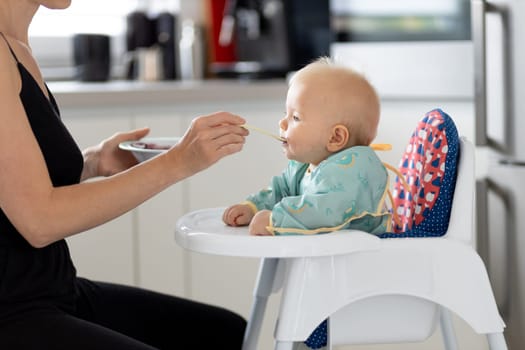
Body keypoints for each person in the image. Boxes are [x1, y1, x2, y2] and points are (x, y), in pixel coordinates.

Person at [0, 1, 248, 349]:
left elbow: (15, 181)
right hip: (12, 312)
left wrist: (93, 162)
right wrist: (177, 162)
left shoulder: (16, 44)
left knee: (224, 331)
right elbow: (38, 220)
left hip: (55, 291)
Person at [223, 57, 392, 237]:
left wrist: (276, 221)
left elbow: (322, 213)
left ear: (335, 137)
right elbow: (282, 191)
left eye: (295, 117)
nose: (282, 123)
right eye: (285, 114)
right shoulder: (307, 164)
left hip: (360, 261)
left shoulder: (352, 172)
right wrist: (253, 207)